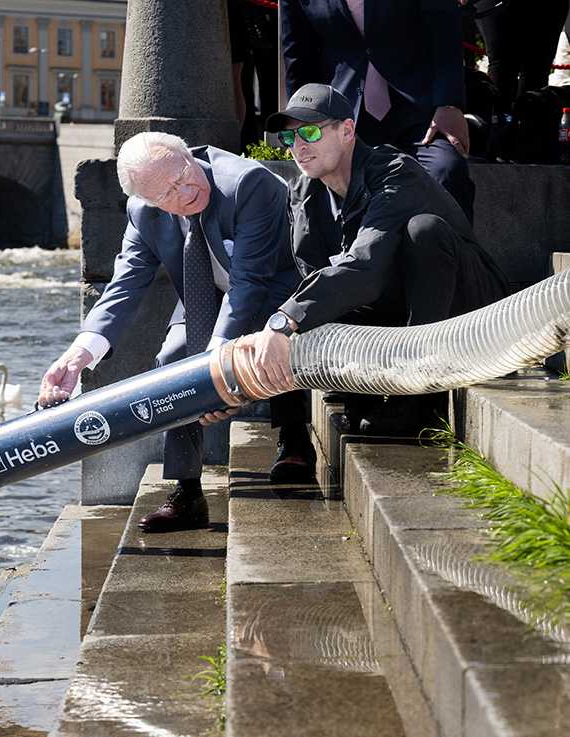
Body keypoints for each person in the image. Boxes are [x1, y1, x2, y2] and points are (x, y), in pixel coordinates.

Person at [38, 131, 313, 533]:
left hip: (277, 287)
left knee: (268, 334)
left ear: (189, 156)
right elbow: (125, 284)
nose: (185, 192)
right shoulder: (143, 212)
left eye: (184, 174)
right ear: (149, 200)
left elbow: (249, 284)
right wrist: (79, 355)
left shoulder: (247, 184)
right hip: (207, 291)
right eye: (167, 193)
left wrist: (213, 371)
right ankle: (187, 492)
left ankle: (294, 438)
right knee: (172, 361)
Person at [235, 84, 510, 435]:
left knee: (423, 231)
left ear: (347, 131)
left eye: (309, 132)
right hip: (406, 304)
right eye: (289, 138)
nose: (298, 146)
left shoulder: (395, 172)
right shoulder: (305, 190)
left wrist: (284, 321)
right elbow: (315, 274)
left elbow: (366, 263)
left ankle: (420, 398)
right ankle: (349, 402)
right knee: (308, 292)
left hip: (475, 307)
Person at [279, 0, 476, 224]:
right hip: (345, 116)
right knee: (335, 194)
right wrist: (301, 128)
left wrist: (449, 104)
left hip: (421, 108)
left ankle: (456, 257)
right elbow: (297, 56)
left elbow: (444, 25)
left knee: (448, 171)